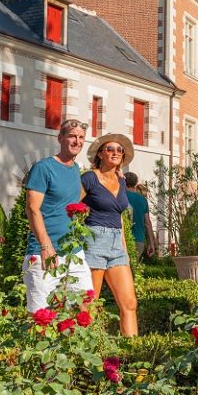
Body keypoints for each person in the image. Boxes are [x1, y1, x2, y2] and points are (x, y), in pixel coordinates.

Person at [23, 119, 94, 313]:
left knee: (87, 307)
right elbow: (32, 208)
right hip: (43, 253)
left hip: (73, 252)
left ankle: (80, 345)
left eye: (81, 138)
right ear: (60, 138)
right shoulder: (43, 168)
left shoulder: (75, 169)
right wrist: (46, 246)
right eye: (72, 136)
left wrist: (117, 172)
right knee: (40, 318)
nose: (77, 141)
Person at [82, 133, 138, 336]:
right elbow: (71, 207)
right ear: (100, 153)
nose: (115, 152)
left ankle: (132, 350)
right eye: (110, 149)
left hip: (117, 244)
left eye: (119, 150)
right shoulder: (90, 178)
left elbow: (119, 216)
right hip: (94, 239)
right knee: (89, 304)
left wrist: (124, 249)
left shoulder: (121, 181)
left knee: (129, 303)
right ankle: (84, 354)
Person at [124, 172, 157, 260]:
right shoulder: (143, 200)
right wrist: (151, 243)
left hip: (123, 239)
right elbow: (147, 223)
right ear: (135, 183)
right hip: (139, 240)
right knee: (133, 269)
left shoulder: (120, 196)